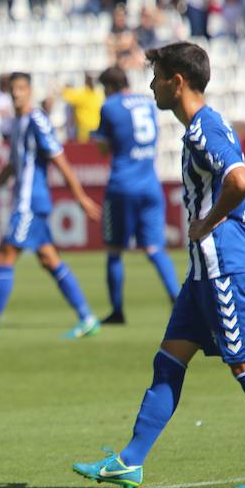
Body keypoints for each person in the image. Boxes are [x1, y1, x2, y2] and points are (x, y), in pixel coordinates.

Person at [73, 42, 245, 488]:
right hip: (203, 273)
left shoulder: (204, 130)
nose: (152, 85)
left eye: (156, 76)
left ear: (177, 82)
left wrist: (208, 221)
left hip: (223, 268)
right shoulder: (203, 126)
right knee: (168, 360)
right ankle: (129, 461)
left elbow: (240, 181)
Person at [0, 72, 102, 341]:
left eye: (21, 88)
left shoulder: (36, 119)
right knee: (49, 259)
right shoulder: (17, 122)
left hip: (30, 203)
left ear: (30, 91)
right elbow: (12, 166)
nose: (16, 93)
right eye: (13, 89)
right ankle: (88, 318)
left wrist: (80, 196)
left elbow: (59, 157)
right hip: (28, 202)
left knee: (5, 254)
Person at [92, 66, 179, 325]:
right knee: (155, 248)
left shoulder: (109, 106)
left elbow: (104, 149)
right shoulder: (147, 102)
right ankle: (177, 300)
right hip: (150, 184)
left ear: (108, 87)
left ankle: (117, 311)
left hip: (122, 185)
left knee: (115, 250)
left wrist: (97, 139)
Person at [61, 73, 104, 142]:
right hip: (96, 128)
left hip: (84, 131)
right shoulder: (99, 94)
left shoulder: (81, 94)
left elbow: (66, 94)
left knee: (85, 150)